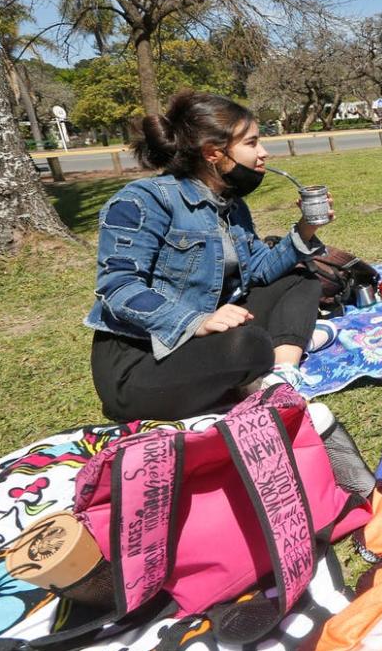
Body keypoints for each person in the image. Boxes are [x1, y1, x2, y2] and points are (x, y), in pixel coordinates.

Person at [86, 90, 331, 422]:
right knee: (250, 346)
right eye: (252, 143)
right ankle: (281, 342)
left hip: (207, 336)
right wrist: (194, 320)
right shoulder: (143, 200)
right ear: (213, 153)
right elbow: (118, 289)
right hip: (142, 362)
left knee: (300, 277)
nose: (263, 152)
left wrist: (306, 228)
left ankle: (282, 374)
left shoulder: (231, 204)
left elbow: (260, 269)